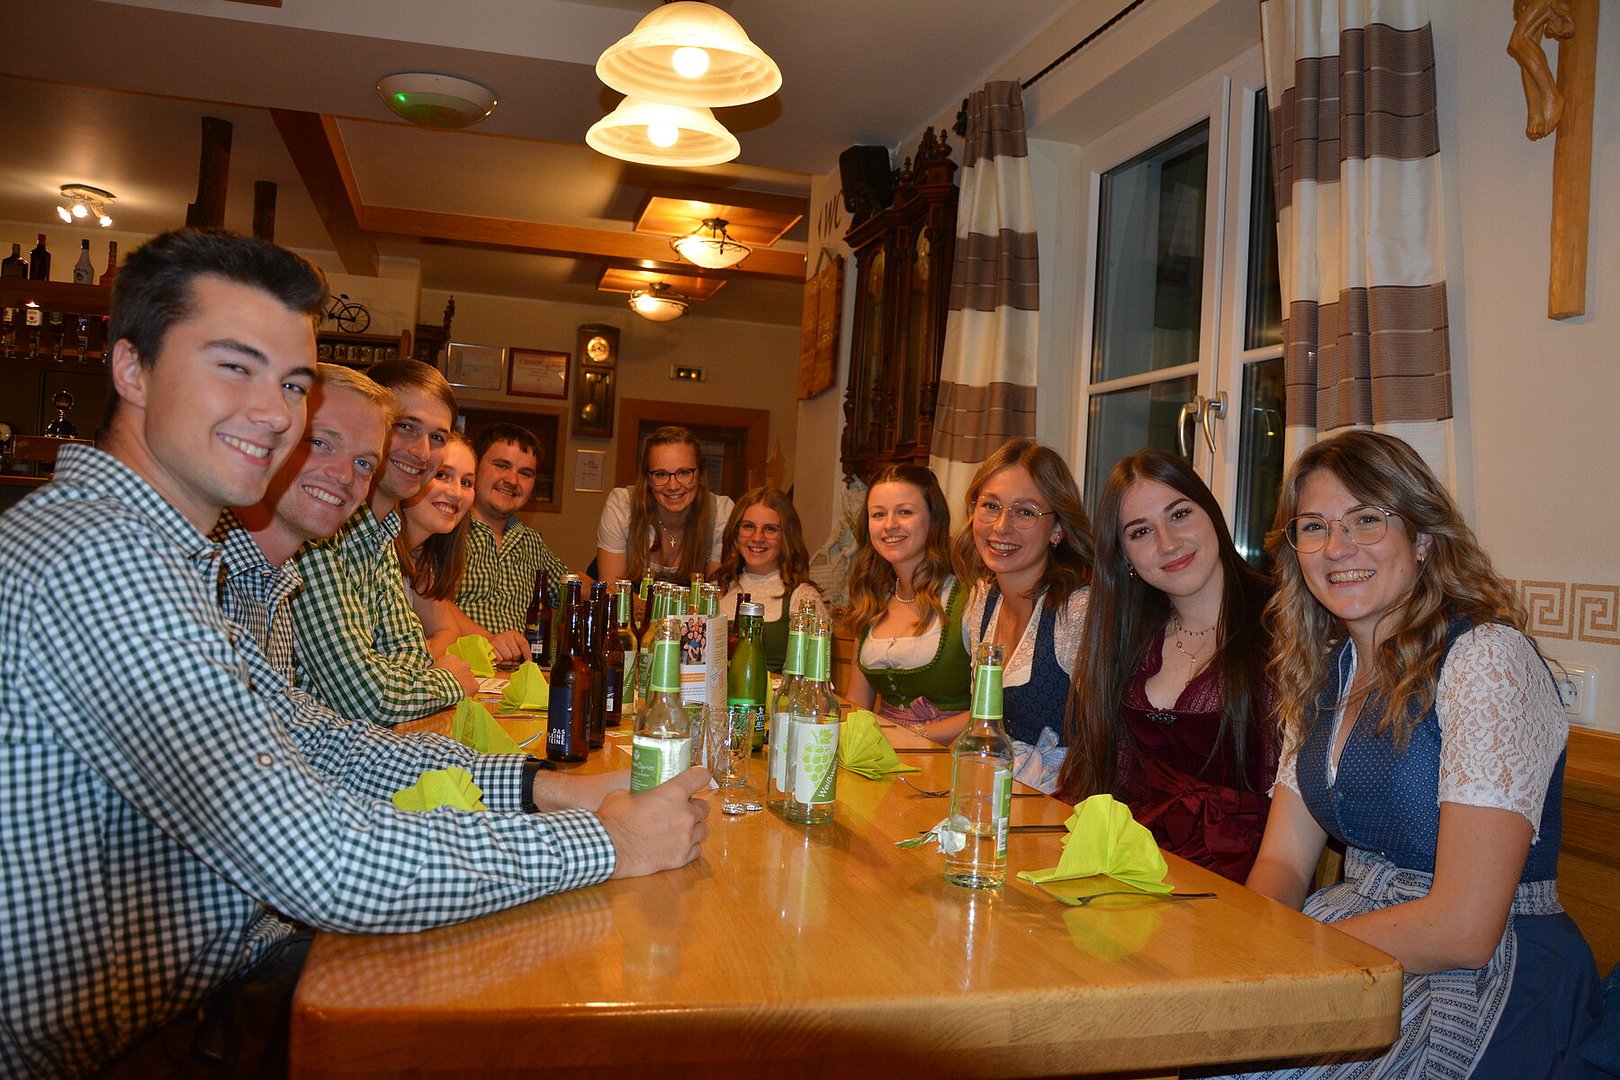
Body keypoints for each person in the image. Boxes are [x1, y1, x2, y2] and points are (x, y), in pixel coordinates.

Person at [0, 229, 710, 1078]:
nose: (277, 414)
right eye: (234, 366)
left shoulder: (166, 558)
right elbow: (328, 863)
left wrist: (550, 790)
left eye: (291, 383)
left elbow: (328, 742)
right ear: (132, 368)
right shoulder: (99, 561)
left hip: (212, 994)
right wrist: (606, 843)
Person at [1238, 430, 1599, 1077]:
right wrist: (1252, 952)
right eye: (1314, 527)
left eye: (1366, 520)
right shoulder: (1322, 672)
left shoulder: (1485, 659)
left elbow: (1465, 927)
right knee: (1201, 1042)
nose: (1338, 547)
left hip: (1485, 972)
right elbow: (1283, 863)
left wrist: (1294, 956)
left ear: (1423, 538)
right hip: (1349, 941)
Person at [1054, 449, 1277, 882]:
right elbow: (1105, 779)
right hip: (1131, 864)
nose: (1168, 543)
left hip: (1244, 878)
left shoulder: (1284, 626)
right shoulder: (1125, 636)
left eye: (1179, 514)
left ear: (1211, 513)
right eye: (1140, 532)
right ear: (1124, 557)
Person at [290, 356, 476, 724]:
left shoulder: (383, 531)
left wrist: (393, 677)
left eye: (437, 438)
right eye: (405, 426)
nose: (422, 452)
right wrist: (448, 682)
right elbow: (366, 698)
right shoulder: (318, 529)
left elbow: (411, 652)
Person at [222, 362, 392, 684]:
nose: (345, 475)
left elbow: (282, 709)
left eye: (363, 463)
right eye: (318, 443)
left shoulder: (278, 579)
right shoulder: (204, 572)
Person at [955, 439, 1094, 790]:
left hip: (1060, 800)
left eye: (1025, 512)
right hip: (994, 787)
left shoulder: (1076, 612)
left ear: (1058, 529)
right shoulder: (982, 601)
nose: (1001, 527)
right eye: (991, 506)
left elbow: (1107, 741)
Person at [846, 463, 971, 741]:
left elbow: (992, 710)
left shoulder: (967, 598)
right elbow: (857, 706)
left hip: (950, 753)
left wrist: (909, 736)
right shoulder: (872, 600)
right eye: (879, 514)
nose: (890, 524)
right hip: (883, 751)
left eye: (905, 512)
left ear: (934, 518)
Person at [456, 423, 573, 635]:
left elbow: (570, 587)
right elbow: (426, 605)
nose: (512, 480)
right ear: (475, 466)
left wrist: (617, 593)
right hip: (457, 654)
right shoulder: (448, 531)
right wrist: (489, 641)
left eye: (525, 473)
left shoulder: (532, 542)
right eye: (502, 465)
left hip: (520, 657)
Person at [595, 425, 733, 585]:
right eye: (661, 474)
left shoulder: (720, 513)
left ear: (700, 475)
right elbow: (612, 589)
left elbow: (717, 593)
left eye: (684, 473)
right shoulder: (623, 506)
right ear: (648, 479)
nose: (673, 486)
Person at [714, 486, 828, 671]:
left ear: (787, 537)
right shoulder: (717, 590)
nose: (757, 538)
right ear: (735, 532)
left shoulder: (803, 598)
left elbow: (815, 675)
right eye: (748, 526)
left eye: (770, 529)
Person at [397, 431, 479, 657]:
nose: (456, 493)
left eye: (466, 482)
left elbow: (447, 630)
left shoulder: (417, 559)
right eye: (442, 475)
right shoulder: (375, 549)